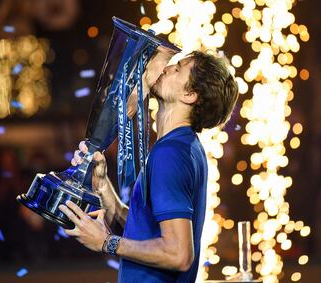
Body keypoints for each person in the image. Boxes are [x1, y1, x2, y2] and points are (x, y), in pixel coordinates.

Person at [58, 50, 239, 282]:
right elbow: (144, 231)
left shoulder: (170, 153)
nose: (167, 67)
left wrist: (107, 242)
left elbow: (179, 254)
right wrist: (103, 187)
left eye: (178, 68)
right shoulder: (184, 147)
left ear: (190, 94)